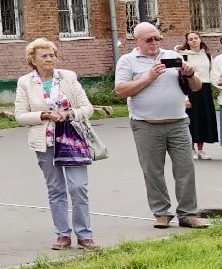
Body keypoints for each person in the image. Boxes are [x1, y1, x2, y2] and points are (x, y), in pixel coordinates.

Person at [115, 22, 208, 229]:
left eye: (157, 38)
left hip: (178, 122)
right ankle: (162, 213)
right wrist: (149, 77)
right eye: (149, 39)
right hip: (146, 124)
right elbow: (121, 91)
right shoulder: (128, 61)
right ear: (137, 40)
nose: (154, 43)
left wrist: (190, 74)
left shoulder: (172, 56)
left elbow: (196, 87)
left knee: (185, 169)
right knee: (153, 171)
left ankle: (187, 214)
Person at [14, 39, 98, 250]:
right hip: (45, 141)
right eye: (44, 55)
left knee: (78, 187)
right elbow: (20, 116)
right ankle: (62, 235)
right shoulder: (25, 82)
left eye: (52, 54)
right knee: (56, 189)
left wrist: (69, 113)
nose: (50, 59)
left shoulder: (68, 77)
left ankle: (85, 235)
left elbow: (87, 108)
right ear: (33, 60)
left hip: (72, 138)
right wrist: (44, 115)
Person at [180, 31, 219, 159]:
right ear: (187, 42)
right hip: (190, 89)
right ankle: (191, 149)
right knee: (192, 119)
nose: (194, 41)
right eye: (190, 39)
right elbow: (181, 77)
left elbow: (212, 72)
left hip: (205, 90)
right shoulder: (184, 56)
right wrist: (185, 98)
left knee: (204, 118)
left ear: (200, 39)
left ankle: (201, 150)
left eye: (196, 38)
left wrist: (220, 80)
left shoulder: (207, 56)